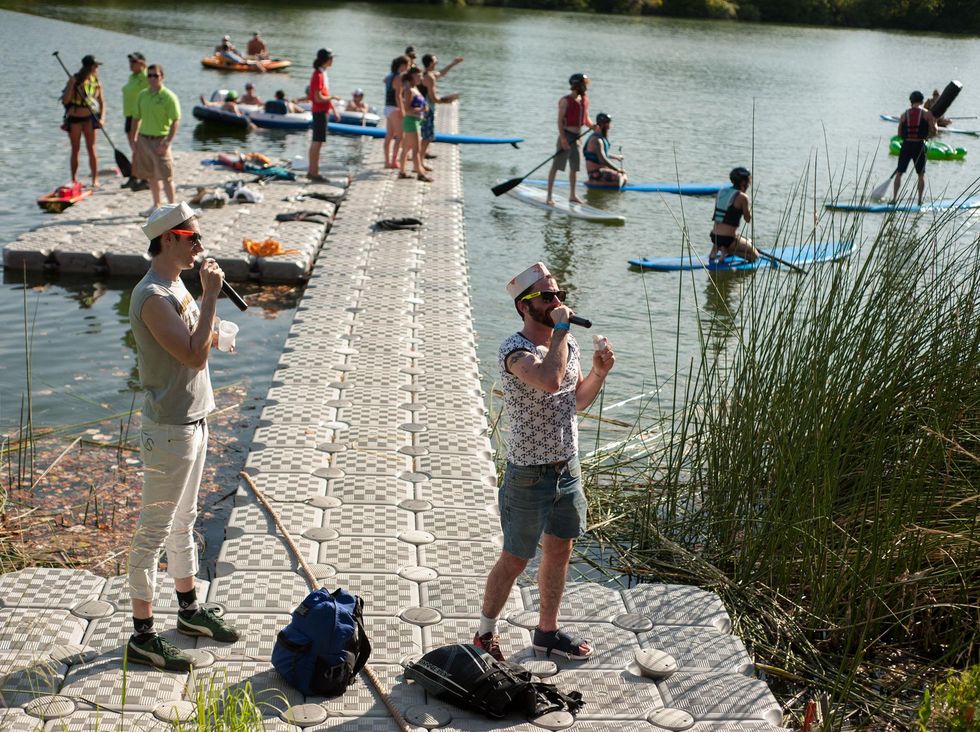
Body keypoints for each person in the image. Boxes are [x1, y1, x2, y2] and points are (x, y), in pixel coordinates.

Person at [474, 262, 615, 662]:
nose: (558, 302)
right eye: (547, 297)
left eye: (559, 295)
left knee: (559, 550)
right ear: (524, 306)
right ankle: (485, 634)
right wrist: (561, 331)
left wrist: (598, 373)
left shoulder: (564, 343)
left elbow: (572, 402)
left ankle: (546, 632)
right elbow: (549, 380)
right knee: (516, 558)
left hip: (567, 468)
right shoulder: (513, 350)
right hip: (528, 474)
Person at [127, 201, 241, 671]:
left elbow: (197, 341)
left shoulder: (176, 285)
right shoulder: (153, 295)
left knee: (184, 520)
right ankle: (143, 635)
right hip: (169, 427)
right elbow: (192, 358)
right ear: (169, 238)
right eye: (193, 237)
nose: (200, 244)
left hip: (194, 417)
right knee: (151, 531)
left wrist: (216, 327)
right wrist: (211, 294)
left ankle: (190, 610)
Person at [130, 64, 181, 215]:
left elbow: (175, 120)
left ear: (162, 77)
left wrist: (167, 143)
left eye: (155, 76)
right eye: (150, 75)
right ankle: (156, 205)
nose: (152, 79)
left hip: (160, 140)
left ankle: (173, 209)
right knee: (151, 175)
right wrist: (133, 139)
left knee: (166, 175)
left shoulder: (168, 96)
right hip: (144, 139)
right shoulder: (142, 95)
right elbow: (135, 118)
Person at [546, 73, 596, 206]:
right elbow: (559, 122)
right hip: (566, 135)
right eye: (584, 84)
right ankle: (549, 196)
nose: (586, 87)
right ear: (577, 85)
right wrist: (563, 139)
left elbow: (586, 118)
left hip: (578, 137)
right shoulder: (565, 101)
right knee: (556, 166)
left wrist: (593, 126)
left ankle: (572, 195)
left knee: (574, 168)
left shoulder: (584, 99)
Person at [61, 54, 105, 188]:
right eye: (96, 65)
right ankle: (74, 179)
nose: (97, 68)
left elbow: (102, 102)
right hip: (75, 119)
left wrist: (102, 119)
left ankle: (95, 179)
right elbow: (66, 101)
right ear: (91, 66)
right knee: (75, 149)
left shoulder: (96, 80)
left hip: (90, 119)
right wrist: (72, 85)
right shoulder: (74, 79)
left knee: (91, 148)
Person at [892, 91, 937, 206]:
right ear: (922, 101)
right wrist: (929, 135)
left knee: (899, 173)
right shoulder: (927, 114)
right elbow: (934, 131)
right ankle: (920, 200)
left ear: (911, 101)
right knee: (921, 174)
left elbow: (899, 133)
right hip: (919, 146)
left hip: (906, 146)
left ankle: (894, 199)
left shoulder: (904, 115)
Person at [419, 53, 463, 162]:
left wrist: (453, 63)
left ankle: (422, 155)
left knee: (425, 135)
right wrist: (448, 100)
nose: (437, 62)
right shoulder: (430, 78)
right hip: (427, 109)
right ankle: (420, 160)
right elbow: (433, 98)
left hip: (420, 108)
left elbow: (441, 73)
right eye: (435, 61)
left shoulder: (424, 74)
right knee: (426, 137)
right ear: (430, 63)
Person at [708, 167, 758, 263]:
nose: (749, 184)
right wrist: (748, 207)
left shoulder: (721, 192)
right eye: (749, 181)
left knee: (740, 239)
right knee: (755, 256)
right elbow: (748, 219)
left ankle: (716, 250)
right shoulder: (743, 197)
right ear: (743, 182)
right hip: (728, 239)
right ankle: (728, 249)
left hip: (714, 236)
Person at [308, 48, 342, 181]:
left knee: (318, 142)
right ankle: (313, 172)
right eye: (331, 58)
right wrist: (333, 97)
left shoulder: (323, 73)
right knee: (317, 142)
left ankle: (313, 171)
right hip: (319, 111)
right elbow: (317, 98)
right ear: (325, 60)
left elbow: (324, 95)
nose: (332, 60)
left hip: (323, 111)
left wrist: (333, 109)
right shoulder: (318, 75)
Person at [122, 52, 149, 191]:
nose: (130, 64)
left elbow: (153, 77)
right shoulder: (132, 77)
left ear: (141, 63)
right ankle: (134, 177)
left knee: (139, 149)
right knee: (134, 149)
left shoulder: (145, 76)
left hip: (139, 117)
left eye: (134, 62)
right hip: (129, 116)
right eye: (130, 62)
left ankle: (145, 179)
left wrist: (144, 66)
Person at [398, 66, 431, 182]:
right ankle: (420, 174)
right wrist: (421, 109)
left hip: (416, 121)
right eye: (419, 75)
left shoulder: (415, 88)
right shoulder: (409, 90)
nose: (421, 77)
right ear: (413, 76)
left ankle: (401, 172)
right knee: (416, 150)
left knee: (406, 148)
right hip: (411, 121)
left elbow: (418, 104)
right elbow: (407, 109)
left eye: (421, 75)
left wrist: (424, 106)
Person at [583, 113, 626, 188]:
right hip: (594, 173)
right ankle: (591, 182)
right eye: (608, 123)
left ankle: (599, 182)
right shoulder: (597, 140)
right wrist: (617, 169)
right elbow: (602, 159)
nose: (610, 126)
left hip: (601, 170)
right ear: (602, 124)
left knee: (624, 177)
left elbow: (603, 154)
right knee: (620, 178)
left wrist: (617, 157)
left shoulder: (601, 138)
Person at [383, 55, 410, 170]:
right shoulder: (398, 77)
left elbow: (384, 81)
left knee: (389, 135)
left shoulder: (390, 75)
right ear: (402, 66)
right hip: (395, 108)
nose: (408, 68)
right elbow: (398, 96)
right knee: (400, 136)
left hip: (387, 107)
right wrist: (403, 111)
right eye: (407, 65)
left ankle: (387, 161)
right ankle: (394, 161)